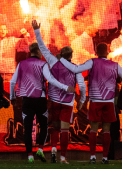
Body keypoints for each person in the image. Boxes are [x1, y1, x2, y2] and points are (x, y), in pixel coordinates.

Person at [32, 20, 87, 164]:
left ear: (61, 54)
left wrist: (37, 31)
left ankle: (54, 149)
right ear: (71, 55)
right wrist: (81, 101)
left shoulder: (53, 62)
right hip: (68, 102)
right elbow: (81, 86)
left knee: (54, 127)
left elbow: (43, 48)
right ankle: (63, 157)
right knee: (64, 129)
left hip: (54, 100)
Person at [9, 41, 71, 163]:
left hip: (26, 100)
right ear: (38, 52)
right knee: (44, 126)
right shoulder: (43, 65)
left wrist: (12, 97)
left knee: (27, 128)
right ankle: (40, 149)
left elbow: (12, 82)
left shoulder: (21, 64)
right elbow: (51, 80)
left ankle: (30, 156)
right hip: (40, 99)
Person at [81, 42, 122, 164]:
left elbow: (82, 75)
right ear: (107, 52)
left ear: (96, 52)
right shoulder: (114, 65)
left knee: (93, 129)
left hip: (95, 100)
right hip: (109, 101)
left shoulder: (92, 63)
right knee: (107, 130)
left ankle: (92, 157)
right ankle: (104, 158)